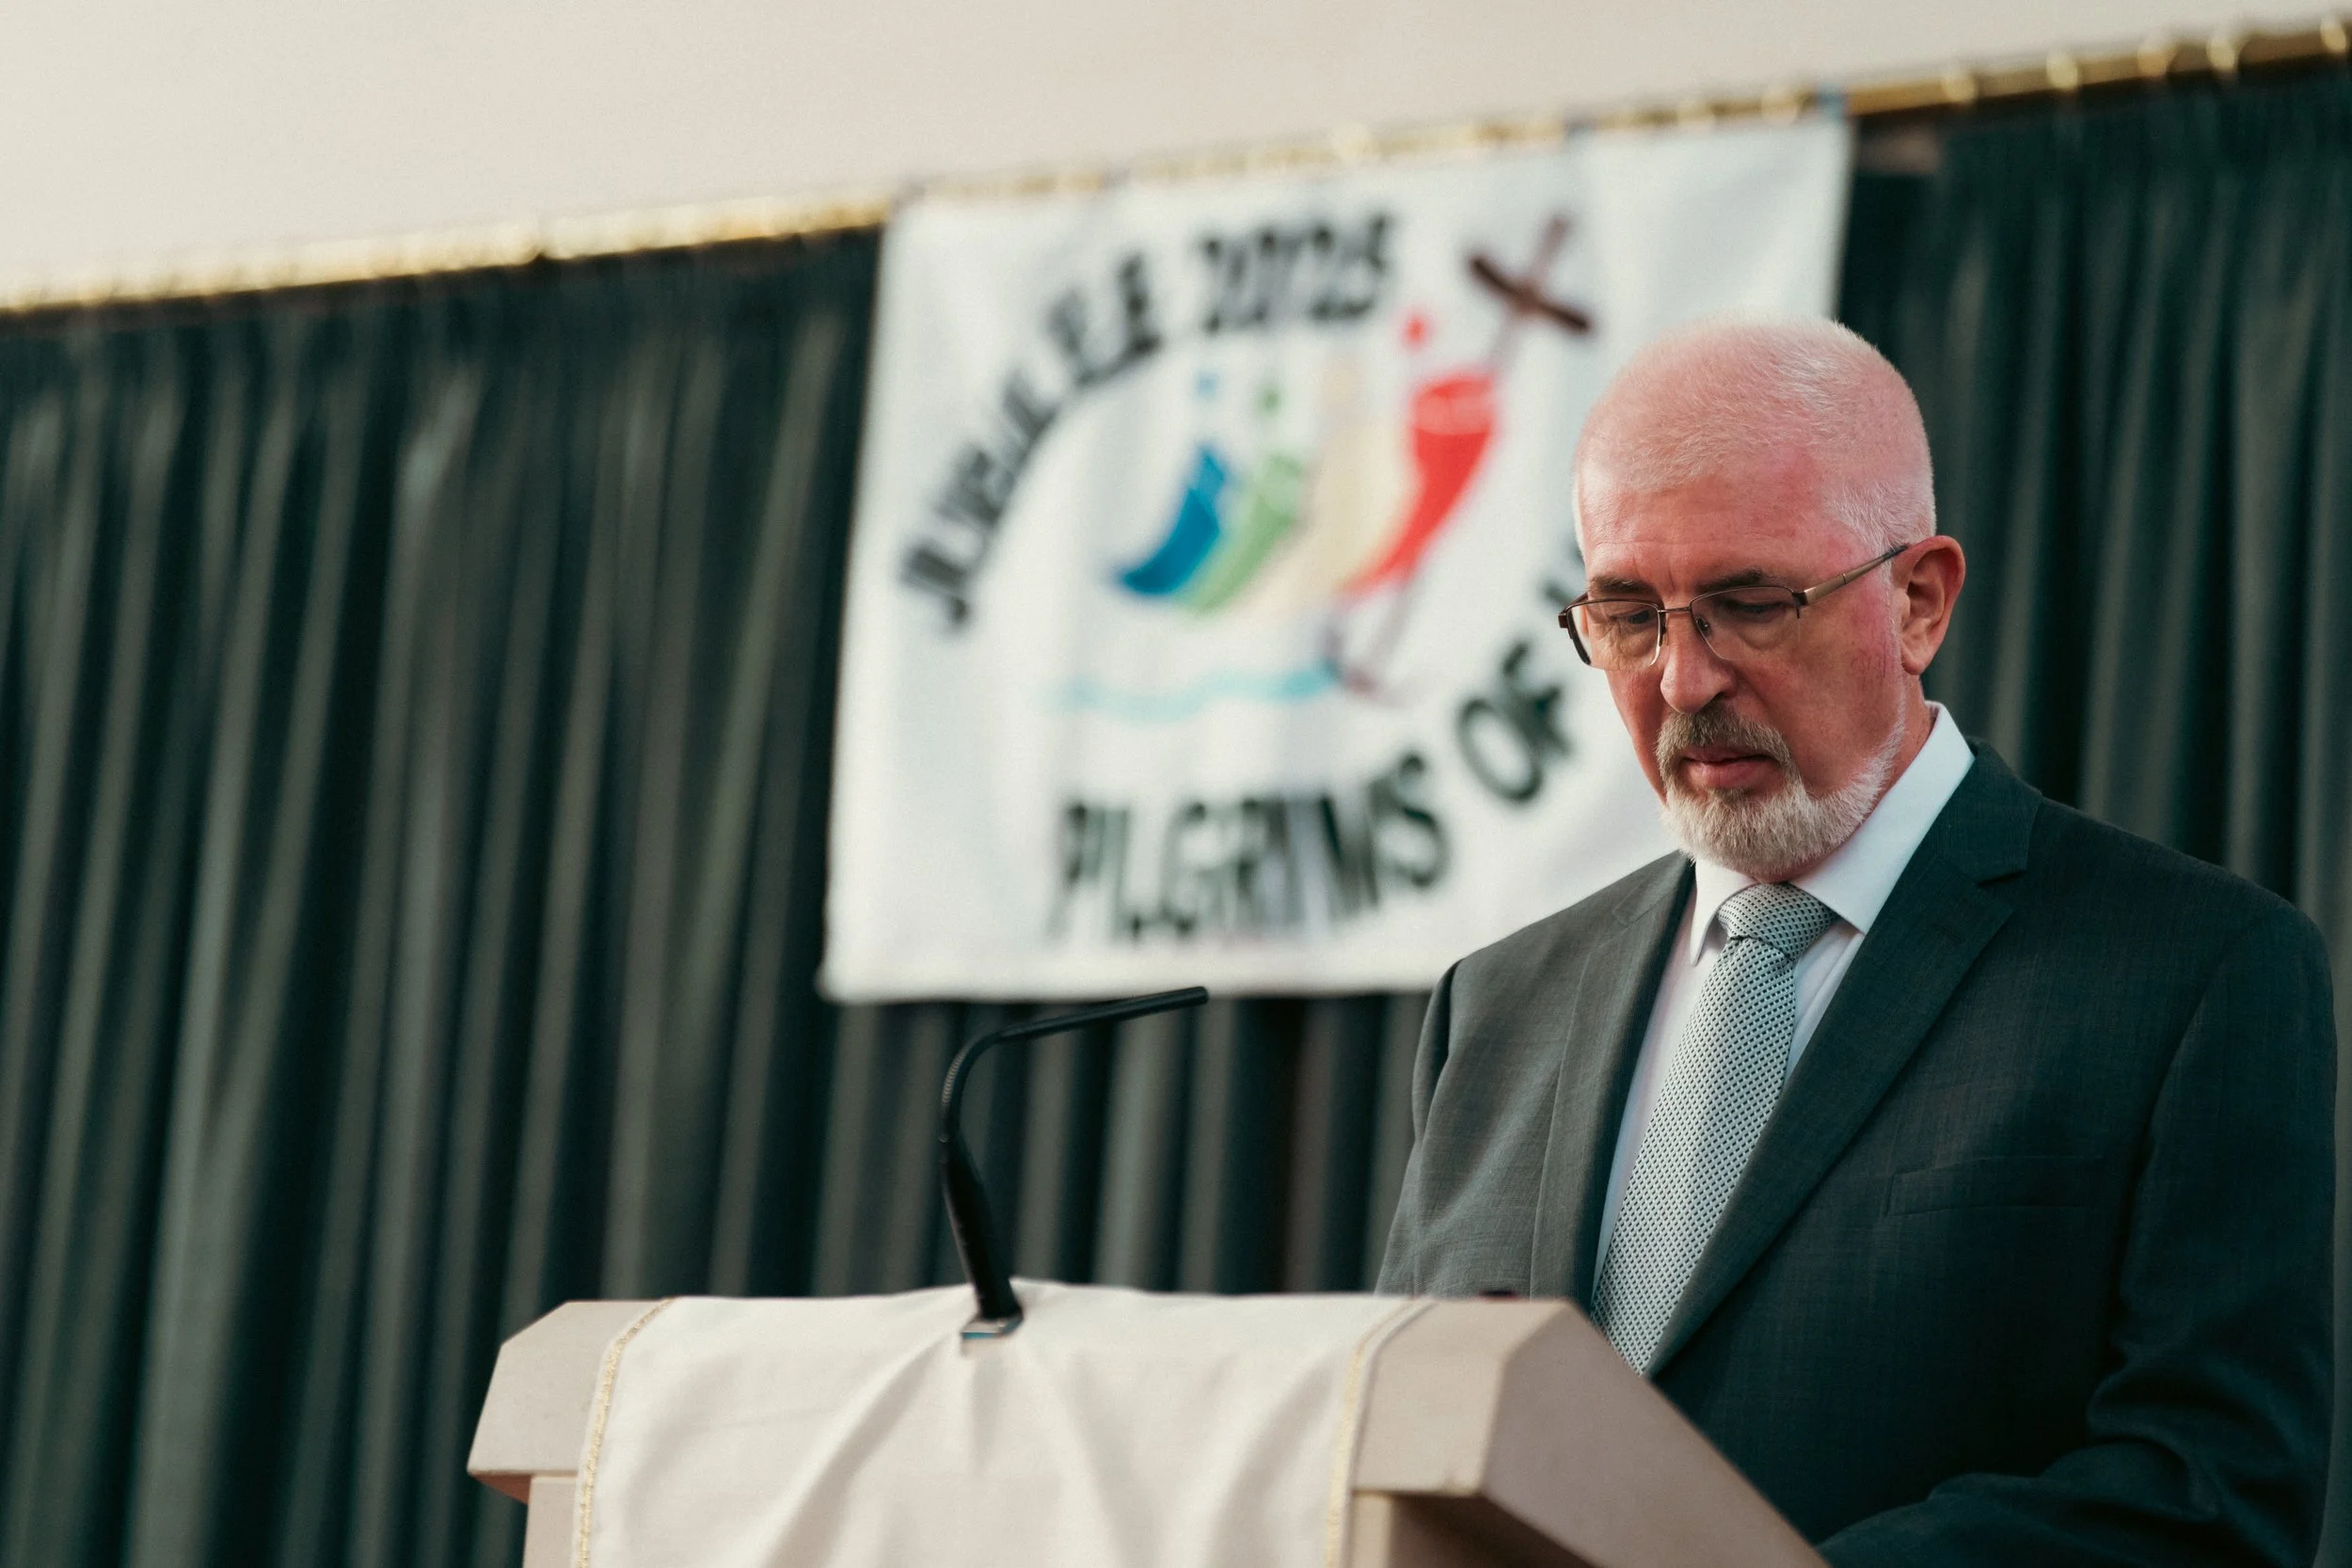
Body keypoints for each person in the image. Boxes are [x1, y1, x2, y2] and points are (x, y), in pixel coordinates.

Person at [1376, 317, 2333, 1564]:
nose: (1681, 679)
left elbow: (2210, 1494)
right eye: (1626, 615)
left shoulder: (2194, 974)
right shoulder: (1497, 1007)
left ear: (1920, 600)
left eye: (1748, 605)